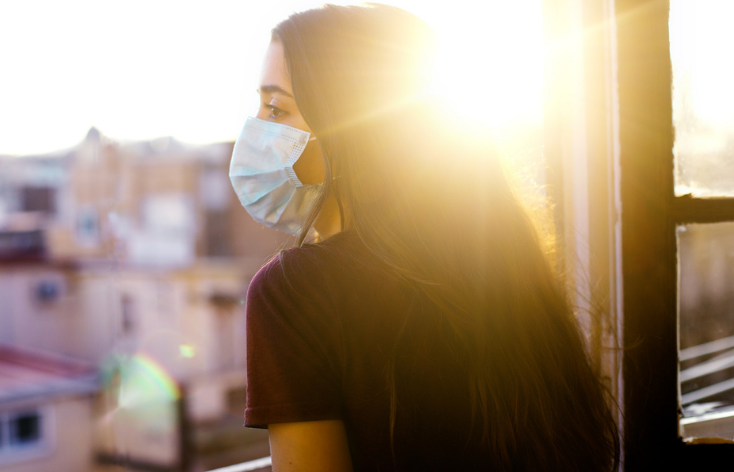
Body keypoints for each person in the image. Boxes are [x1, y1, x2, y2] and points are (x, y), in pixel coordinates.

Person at [228, 4, 619, 471]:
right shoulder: (501, 259)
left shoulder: (291, 293)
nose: (254, 127)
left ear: (350, 126)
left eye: (276, 107)